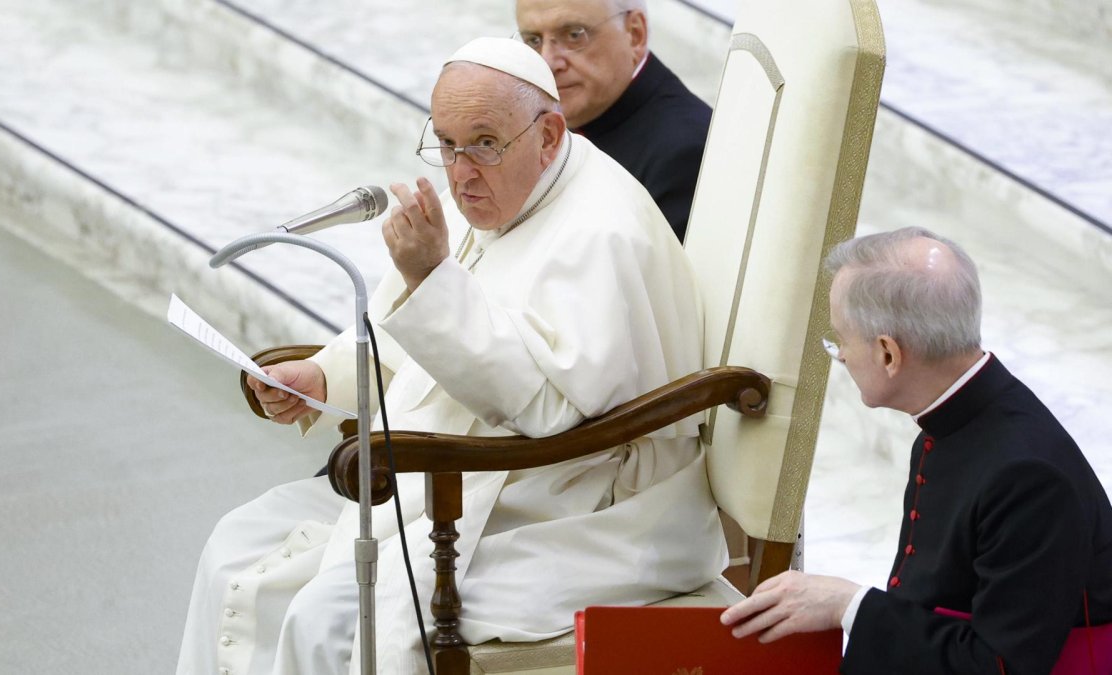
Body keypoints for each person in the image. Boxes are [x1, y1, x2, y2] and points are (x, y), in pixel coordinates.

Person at [177, 37, 727, 675]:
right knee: (234, 544)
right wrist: (320, 378)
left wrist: (431, 280)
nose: (460, 170)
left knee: (330, 615)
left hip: (567, 504)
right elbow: (399, 334)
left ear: (548, 135)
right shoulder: (501, 187)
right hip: (458, 479)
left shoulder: (603, 233)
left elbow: (550, 412)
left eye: (484, 143)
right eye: (445, 142)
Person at [720, 227, 1112, 674]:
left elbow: (998, 664)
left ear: (888, 354)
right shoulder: (953, 416)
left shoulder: (1027, 477)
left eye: (841, 340)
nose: (842, 356)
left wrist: (849, 606)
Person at [516, 0, 711, 241]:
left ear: (634, 34)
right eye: (533, 41)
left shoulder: (685, 154)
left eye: (574, 35)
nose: (548, 62)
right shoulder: (547, 123)